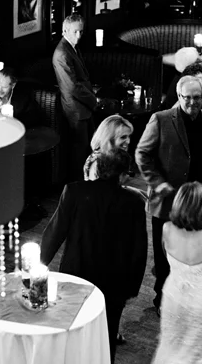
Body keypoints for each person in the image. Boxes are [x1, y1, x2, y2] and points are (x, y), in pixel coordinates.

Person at [135, 75, 202, 312]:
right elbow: (142, 154)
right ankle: (162, 299)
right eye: (186, 98)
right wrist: (158, 183)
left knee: (195, 255)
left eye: (197, 98)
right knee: (165, 257)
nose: (191, 103)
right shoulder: (161, 119)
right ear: (178, 96)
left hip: (199, 202)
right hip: (169, 200)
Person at [40, 150, 147, 362]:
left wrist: (38, 265)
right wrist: (131, 287)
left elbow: (54, 233)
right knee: (105, 337)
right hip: (114, 283)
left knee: (71, 330)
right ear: (122, 175)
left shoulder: (74, 191)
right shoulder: (134, 202)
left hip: (76, 274)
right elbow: (139, 248)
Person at [151, 182, 202, 364]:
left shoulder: (167, 228)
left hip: (174, 296)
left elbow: (166, 255)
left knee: (172, 345)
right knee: (201, 349)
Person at [52, 13, 98, 180]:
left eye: (81, 31)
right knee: (79, 152)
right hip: (76, 108)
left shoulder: (71, 47)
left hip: (82, 106)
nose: (79, 36)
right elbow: (72, 88)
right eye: (75, 32)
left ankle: (87, 181)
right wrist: (93, 100)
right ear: (65, 30)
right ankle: (79, 184)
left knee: (86, 148)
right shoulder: (62, 53)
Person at [83, 114, 133, 181]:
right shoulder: (97, 162)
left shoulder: (116, 156)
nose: (128, 141)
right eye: (123, 137)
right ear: (109, 138)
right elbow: (95, 187)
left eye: (129, 136)